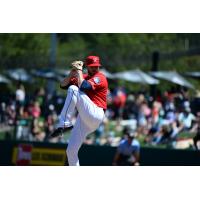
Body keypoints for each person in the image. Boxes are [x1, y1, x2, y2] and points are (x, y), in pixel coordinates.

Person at [50, 55, 108, 166]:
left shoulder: (101, 77)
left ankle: (65, 123)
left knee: (73, 89)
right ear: (87, 67)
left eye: (96, 66)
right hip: (85, 119)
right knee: (70, 150)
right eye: (92, 66)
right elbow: (62, 85)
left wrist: (79, 71)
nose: (95, 68)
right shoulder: (83, 76)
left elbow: (84, 86)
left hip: (96, 112)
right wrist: (71, 73)